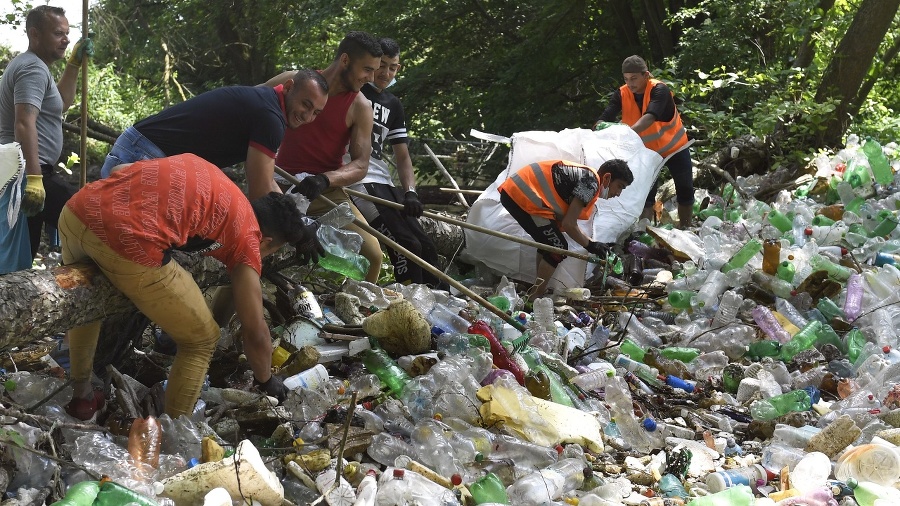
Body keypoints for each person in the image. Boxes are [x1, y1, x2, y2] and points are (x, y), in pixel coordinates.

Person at [60, 153, 323, 420]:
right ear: (266, 241)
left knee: (88, 306)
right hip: (126, 241)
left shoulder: (216, 180)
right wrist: (266, 380)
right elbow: (255, 332)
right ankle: (175, 437)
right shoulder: (248, 237)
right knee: (202, 339)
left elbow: (120, 168)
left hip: (77, 211)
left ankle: (82, 395)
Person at [263, 31, 384, 283]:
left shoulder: (360, 106)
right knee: (251, 250)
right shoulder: (294, 81)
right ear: (345, 60)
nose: (372, 78)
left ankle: (358, 315)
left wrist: (324, 180)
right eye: (367, 69)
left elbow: (361, 165)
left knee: (373, 255)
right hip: (279, 183)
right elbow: (250, 101)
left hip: (324, 190)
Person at [99, 69, 328, 200]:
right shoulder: (270, 117)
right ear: (288, 87)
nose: (308, 117)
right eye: (305, 105)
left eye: (316, 112)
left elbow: (266, 182)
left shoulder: (267, 101)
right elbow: (260, 190)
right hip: (143, 154)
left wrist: (293, 213)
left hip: (150, 154)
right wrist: (297, 228)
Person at [0, 5, 91, 273]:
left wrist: (74, 64)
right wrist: (36, 179)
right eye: (57, 34)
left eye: (67, 34)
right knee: (85, 219)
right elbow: (23, 122)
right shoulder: (32, 69)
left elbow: (60, 103)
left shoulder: (36, 67)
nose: (65, 39)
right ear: (35, 34)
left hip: (23, 172)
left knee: (20, 256)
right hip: (26, 173)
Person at [346, 37, 441, 287]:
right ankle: (408, 308)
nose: (386, 73)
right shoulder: (351, 90)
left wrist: (410, 192)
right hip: (357, 180)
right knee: (405, 245)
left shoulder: (393, 104)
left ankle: (444, 307)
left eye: (393, 67)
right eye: (382, 65)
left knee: (426, 247)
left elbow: (402, 155)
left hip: (383, 181)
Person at [498, 159, 633, 299]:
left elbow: (567, 221)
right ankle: (534, 296)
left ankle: (535, 291)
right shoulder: (591, 184)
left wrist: (593, 243)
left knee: (550, 245)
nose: (618, 193)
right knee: (558, 247)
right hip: (522, 195)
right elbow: (569, 224)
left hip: (518, 192)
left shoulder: (588, 179)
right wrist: (590, 245)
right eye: (619, 186)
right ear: (607, 178)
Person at [595, 55, 694, 228]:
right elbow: (604, 118)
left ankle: (686, 227)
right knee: (646, 196)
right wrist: (597, 130)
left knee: (685, 189)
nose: (630, 83)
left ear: (646, 75)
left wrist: (626, 133)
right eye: (626, 79)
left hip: (675, 148)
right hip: (647, 153)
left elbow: (649, 117)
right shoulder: (622, 93)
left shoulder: (659, 90)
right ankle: (644, 233)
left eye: (634, 78)